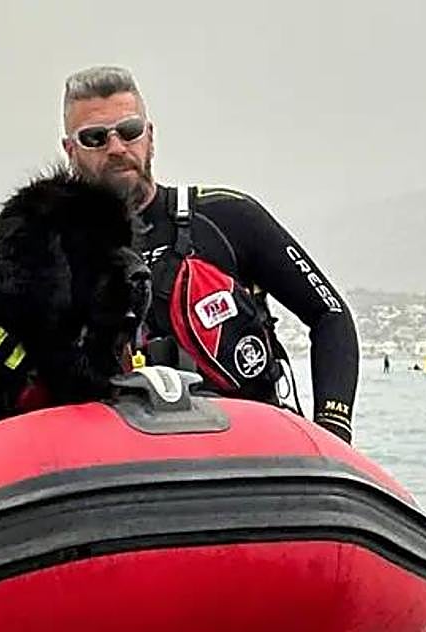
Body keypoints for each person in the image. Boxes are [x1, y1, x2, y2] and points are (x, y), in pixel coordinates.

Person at [60, 66, 359, 443]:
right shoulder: (48, 252)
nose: (117, 148)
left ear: (150, 137)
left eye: (130, 131)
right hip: (114, 459)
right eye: (95, 138)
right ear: (70, 151)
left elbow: (330, 314)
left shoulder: (228, 218)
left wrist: (333, 429)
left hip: (240, 453)